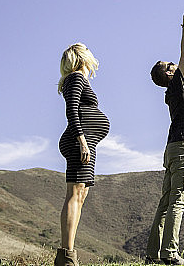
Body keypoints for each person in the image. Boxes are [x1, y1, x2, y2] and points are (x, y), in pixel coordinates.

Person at [146, 7, 184, 265]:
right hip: (182, 150)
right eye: (171, 65)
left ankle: (152, 255)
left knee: (166, 203)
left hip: (172, 149)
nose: (174, 64)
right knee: (178, 201)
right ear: (170, 73)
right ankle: (169, 254)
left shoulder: (173, 90)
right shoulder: (178, 85)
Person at [55, 43, 110, 266]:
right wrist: (82, 141)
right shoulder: (75, 78)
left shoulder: (79, 80)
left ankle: (68, 255)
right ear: (82, 58)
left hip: (87, 143)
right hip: (81, 142)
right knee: (74, 194)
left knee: (80, 196)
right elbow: (72, 109)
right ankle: (67, 256)